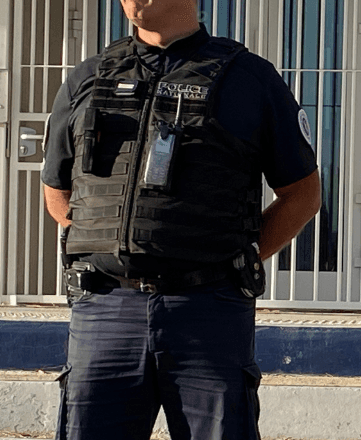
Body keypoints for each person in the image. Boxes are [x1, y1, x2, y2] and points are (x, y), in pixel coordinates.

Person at [41, 0, 321, 439]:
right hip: (106, 311)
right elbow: (57, 192)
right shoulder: (88, 77)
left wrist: (235, 259)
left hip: (206, 312)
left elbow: (302, 194)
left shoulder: (250, 79)